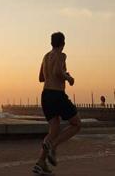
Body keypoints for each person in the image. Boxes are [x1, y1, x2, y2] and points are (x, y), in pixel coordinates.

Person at [33, 32, 80, 175]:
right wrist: (68, 77)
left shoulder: (46, 56)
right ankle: (53, 146)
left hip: (45, 95)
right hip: (57, 94)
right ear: (63, 43)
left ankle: (40, 163)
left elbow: (41, 77)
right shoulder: (61, 55)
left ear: (51, 42)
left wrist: (58, 73)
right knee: (77, 124)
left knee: (54, 129)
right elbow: (57, 71)